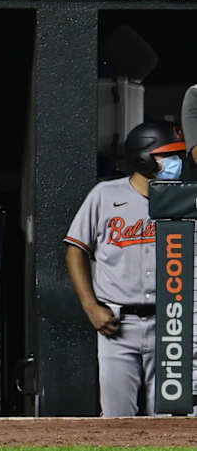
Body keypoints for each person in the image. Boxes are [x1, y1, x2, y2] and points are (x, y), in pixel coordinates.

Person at [64, 120, 186, 417]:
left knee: (172, 421)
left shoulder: (186, 198)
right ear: (144, 157)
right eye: (167, 155)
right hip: (117, 324)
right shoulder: (105, 196)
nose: (177, 162)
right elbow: (75, 251)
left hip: (172, 324)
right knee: (117, 421)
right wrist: (91, 306)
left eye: (178, 154)